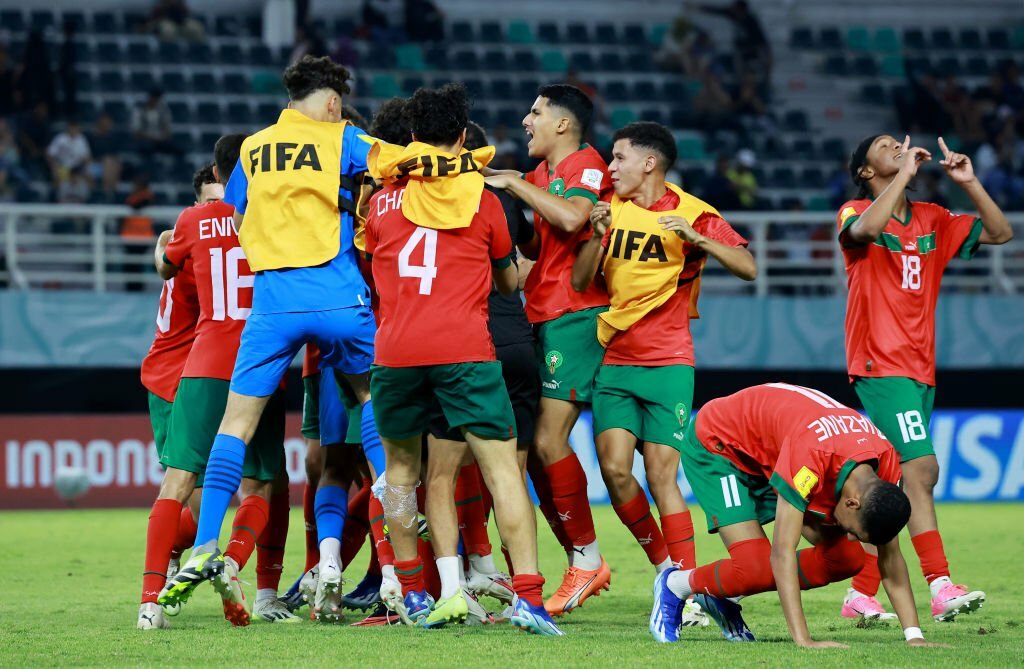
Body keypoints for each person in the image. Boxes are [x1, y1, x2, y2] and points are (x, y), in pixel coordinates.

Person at [160, 56, 385, 627]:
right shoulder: (346, 139)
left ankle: (208, 543)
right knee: (372, 398)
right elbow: (399, 173)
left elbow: (236, 216)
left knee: (235, 426)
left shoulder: (255, 149)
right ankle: (394, 499)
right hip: (339, 298)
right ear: (333, 102)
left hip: (271, 309)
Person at [363, 83, 561, 636]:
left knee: (401, 475)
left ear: (411, 138)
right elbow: (505, 281)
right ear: (459, 137)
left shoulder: (380, 199)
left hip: (397, 351)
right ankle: (529, 600)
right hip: (465, 351)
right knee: (502, 473)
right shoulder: (481, 197)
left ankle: (416, 594)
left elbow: (371, 265)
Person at [572, 123, 754, 610]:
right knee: (613, 470)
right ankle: (664, 567)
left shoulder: (695, 213)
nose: (610, 168)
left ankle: (688, 590)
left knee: (660, 476)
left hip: (669, 363)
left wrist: (699, 240)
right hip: (615, 357)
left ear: (649, 163)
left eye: (618, 158)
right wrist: (595, 235)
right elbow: (580, 278)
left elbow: (748, 265)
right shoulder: (610, 207)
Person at [838, 134, 1013, 622]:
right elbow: (867, 230)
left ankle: (860, 592)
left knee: (893, 479)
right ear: (865, 172)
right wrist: (906, 177)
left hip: (920, 368)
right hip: (879, 362)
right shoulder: (854, 210)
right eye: (884, 146)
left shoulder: (934, 217)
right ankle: (939, 583)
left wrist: (970, 182)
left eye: (900, 143)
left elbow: (999, 233)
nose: (897, 147)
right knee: (922, 470)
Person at [651, 383, 943, 649]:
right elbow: (783, 552)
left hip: (775, 451)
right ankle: (675, 584)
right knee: (754, 567)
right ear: (853, 503)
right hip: (720, 447)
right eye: (856, 531)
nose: (852, 536)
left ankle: (721, 593)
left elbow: (890, 557)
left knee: (848, 557)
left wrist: (914, 635)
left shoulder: (885, 465)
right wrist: (804, 639)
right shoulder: (811, 459)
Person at [484, 84, 612, 617]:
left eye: (535, 112)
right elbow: (541, 243)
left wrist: (513, 184)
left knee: (550, 441)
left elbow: (571, 220)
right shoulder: (540, 177)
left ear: (563, 123)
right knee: (536, 449)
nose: (525, 119)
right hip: (543, 314)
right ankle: (579, 557)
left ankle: (588, 557)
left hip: (575, 316)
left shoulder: (586, 163)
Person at [422, 120, 539, 621]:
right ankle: (528, 594)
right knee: (510, 472)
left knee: (439, 475)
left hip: (460, 343)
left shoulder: (415, 196)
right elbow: (519, 271)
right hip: (516, 336)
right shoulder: (498, 198)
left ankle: (456, 584)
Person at [135, 168, 205, 631]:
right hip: (177, 381)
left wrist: (165, 240)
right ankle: (162, 580)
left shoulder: (184, 245)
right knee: (194, 496)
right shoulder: (200, 257)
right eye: (206, 203)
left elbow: (164, 249)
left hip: (171, 376)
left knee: (197, 494)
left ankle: (169, 566)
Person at [132, 89, 179, 156]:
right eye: (154, 98)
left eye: (157, 98)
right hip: (145, 141)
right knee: (146, 150)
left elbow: (167, 131)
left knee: (177, 151)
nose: (155, 101)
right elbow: (136, 133)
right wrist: (152, 137)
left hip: (160, 141)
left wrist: (161, 137)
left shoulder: (164, 111)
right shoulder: (139, 111)